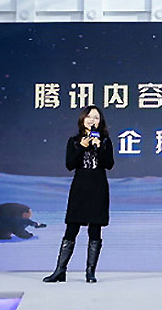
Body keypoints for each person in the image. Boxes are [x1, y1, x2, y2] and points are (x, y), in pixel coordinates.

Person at [43, 106, 114, 283]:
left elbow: (109, 164)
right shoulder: (74, 141)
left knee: (95, 229)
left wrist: (99, 147)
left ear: (100, 122)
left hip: (98, 188)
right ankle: (60, 270)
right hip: (80, 188)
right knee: (71, 228)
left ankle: (90, 272)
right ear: (82, 119)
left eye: (96, 117)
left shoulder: (105, 141)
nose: (92, 120)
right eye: (89, 117)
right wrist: (82, 147)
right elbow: (70, 165)